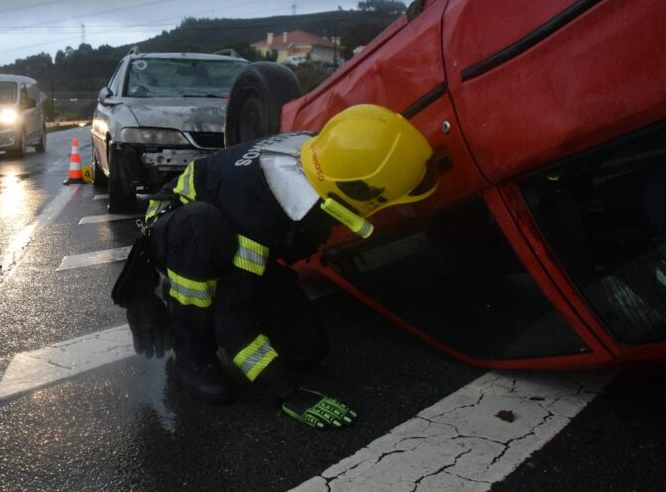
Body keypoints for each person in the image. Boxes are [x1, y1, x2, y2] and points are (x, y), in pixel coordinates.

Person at [111, 104, 437, 429]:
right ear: (361, 193)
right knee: (203, 230)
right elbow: (231, 321)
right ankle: (191, 353)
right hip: (182, 229)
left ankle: (220, 284)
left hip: (235, 230)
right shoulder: (258, 208)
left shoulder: (329, 155)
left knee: (307, 350)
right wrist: (285, 391)